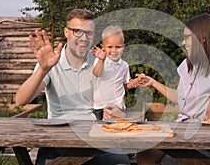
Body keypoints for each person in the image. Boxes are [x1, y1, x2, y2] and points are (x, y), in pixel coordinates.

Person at [15, 9, 130, 165]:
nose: (84, 38)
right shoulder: (52, 62)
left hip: (94, 136)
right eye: (77, 31)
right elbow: (21, 100)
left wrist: (115, 110)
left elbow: (115, 91)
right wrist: (43, 69)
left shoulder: (101, 61)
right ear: (66, 32)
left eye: (89, 33)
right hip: (59, 139)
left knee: (121, 161)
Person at [137, 13, 210, 165]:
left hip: (201, 143)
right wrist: (153, 83)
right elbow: (181, 97)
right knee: (144, 153)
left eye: (187, 37)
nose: (183, 42)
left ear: (202, 38)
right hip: (180, 133)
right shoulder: (187, 66)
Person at [91, 25, 140, 120]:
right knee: (102, 131)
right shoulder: (100, 60)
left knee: (118, 129)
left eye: (118, 47)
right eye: (110, 47)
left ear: (123, 47)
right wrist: (101, 60)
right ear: (103, 47)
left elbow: (126, 84)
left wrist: (135, 82)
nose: (114, 50)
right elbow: (96, 73)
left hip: (119, 106)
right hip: (101, 107)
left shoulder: (124, 65)